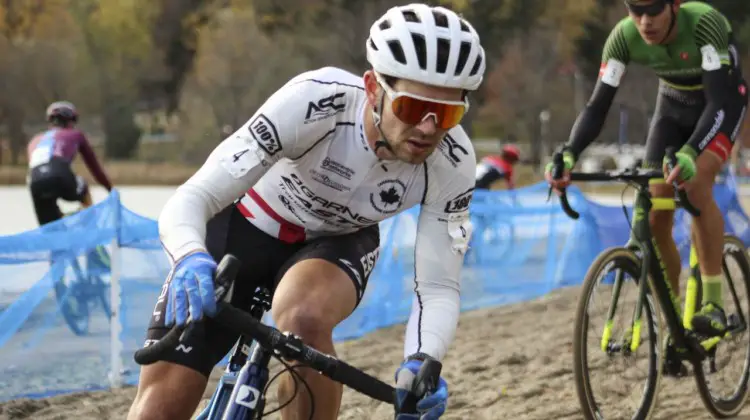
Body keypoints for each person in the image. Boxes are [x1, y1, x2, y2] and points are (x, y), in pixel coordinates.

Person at [127, 4, 485, 420]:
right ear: (373, 87)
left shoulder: (453, 160)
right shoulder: (316, 101)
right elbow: (194, 197)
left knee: (303, 317)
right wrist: (189, 255)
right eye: (410, 108)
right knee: (161, 406)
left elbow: (438, 286)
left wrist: (422, 358)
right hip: (244, 224)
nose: (427, 128)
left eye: (446, 114)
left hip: (336, 243)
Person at [545, 0, 747, 376]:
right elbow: (597, 106)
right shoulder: (623, 37)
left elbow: (718, 100)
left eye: (653, 10)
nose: (644, 21)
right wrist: (569, 153)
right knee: (656, 216)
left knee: (696, 180)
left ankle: (715, 304)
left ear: (673, 5)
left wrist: (690, 153)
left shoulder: (704, 24)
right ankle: (672, 325)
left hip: (720, 106)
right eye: (634, 10)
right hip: (671, 107)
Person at [26, 101, 113, 226]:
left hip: (35, 181)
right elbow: (94, 168)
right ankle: (92, 231)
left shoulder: (35, 140)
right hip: (59, 173)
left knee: (50, 229)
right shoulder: (76, 134)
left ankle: (60, 228)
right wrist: (110, 189)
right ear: (71, 121)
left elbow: (35, 170)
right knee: (83, 186)